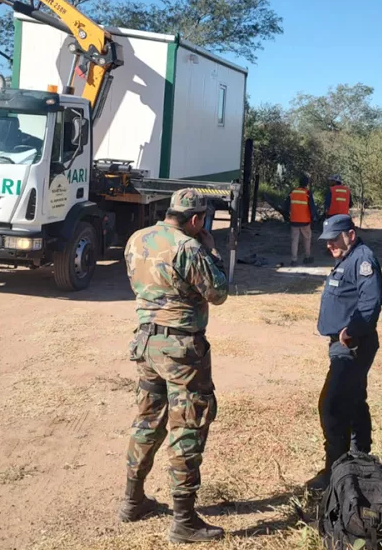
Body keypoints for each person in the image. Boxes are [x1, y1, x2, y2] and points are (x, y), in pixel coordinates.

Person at [119, 189, 230, 543]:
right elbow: (219, 292)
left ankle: (132, 500)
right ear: (196, 220)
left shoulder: (138, 238)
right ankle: (184, 520)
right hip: (181, 348)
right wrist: (212, 249)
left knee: (147, 420)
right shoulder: (189, 247)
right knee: (189, 425)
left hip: (146, 341)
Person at [307, 214, 382, 491]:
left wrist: (352, 331)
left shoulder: (363, 260)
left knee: (332, 405)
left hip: (352, 346)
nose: (329, 245)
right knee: (354, 399)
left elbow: (370, 303)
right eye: (326, 241)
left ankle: (335, 469)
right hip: (341, 344)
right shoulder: (347, 258)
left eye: (334, 239)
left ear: (350, 235)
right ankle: (359, 458)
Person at [284, 174, 317, 266]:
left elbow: (286, 206)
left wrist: (287, 216)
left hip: (294, 220)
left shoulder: (293, 192)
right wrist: (314, 218)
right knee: (307, 239)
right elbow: (312, 207)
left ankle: (294, 260)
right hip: (305, 221)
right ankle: (307, 257)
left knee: (294, 240)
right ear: (306, 184)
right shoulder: (307, 193)